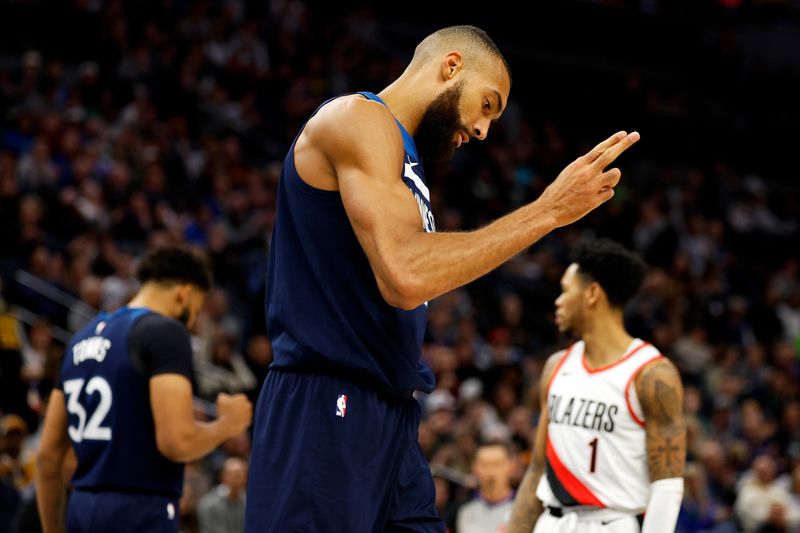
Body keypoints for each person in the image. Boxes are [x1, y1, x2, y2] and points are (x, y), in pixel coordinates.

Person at [245, 24, 640, 533]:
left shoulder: (405, 163)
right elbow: (405, 274)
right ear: (451, 67)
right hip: (327, 403)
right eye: (487, 105)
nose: (483, 130)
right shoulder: (359, 119)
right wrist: (547, 212)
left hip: (390, 416)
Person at [35, 246, 253, 533]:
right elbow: (178, 442)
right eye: (197, 311)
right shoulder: (165, 332)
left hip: (82, 506)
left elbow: (48, 456)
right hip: (138, 509)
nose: (192, 322)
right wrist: (229, 425)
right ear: (184, 293)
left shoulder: (80, 338)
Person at [507, 238, 686, 533]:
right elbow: (538, 468)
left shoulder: (651, 373)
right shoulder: (556, 367)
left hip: (610, 523)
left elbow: (666, 484)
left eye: (566, 290)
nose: (558, 300)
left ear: (592, 293)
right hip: (551, 523)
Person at [456, 441, 516, 533]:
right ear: (474, 468)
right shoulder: (465, 511)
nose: (491, 472)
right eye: (485, 465)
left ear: (511, 466)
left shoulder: (522, 510)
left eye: (497, 464)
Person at [197, 457, 248, 533]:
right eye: (231, 475)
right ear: (222, 476)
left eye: (238, 475)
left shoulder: (248, 503)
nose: (235, 479)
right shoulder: (208, 504)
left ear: (246, 478)